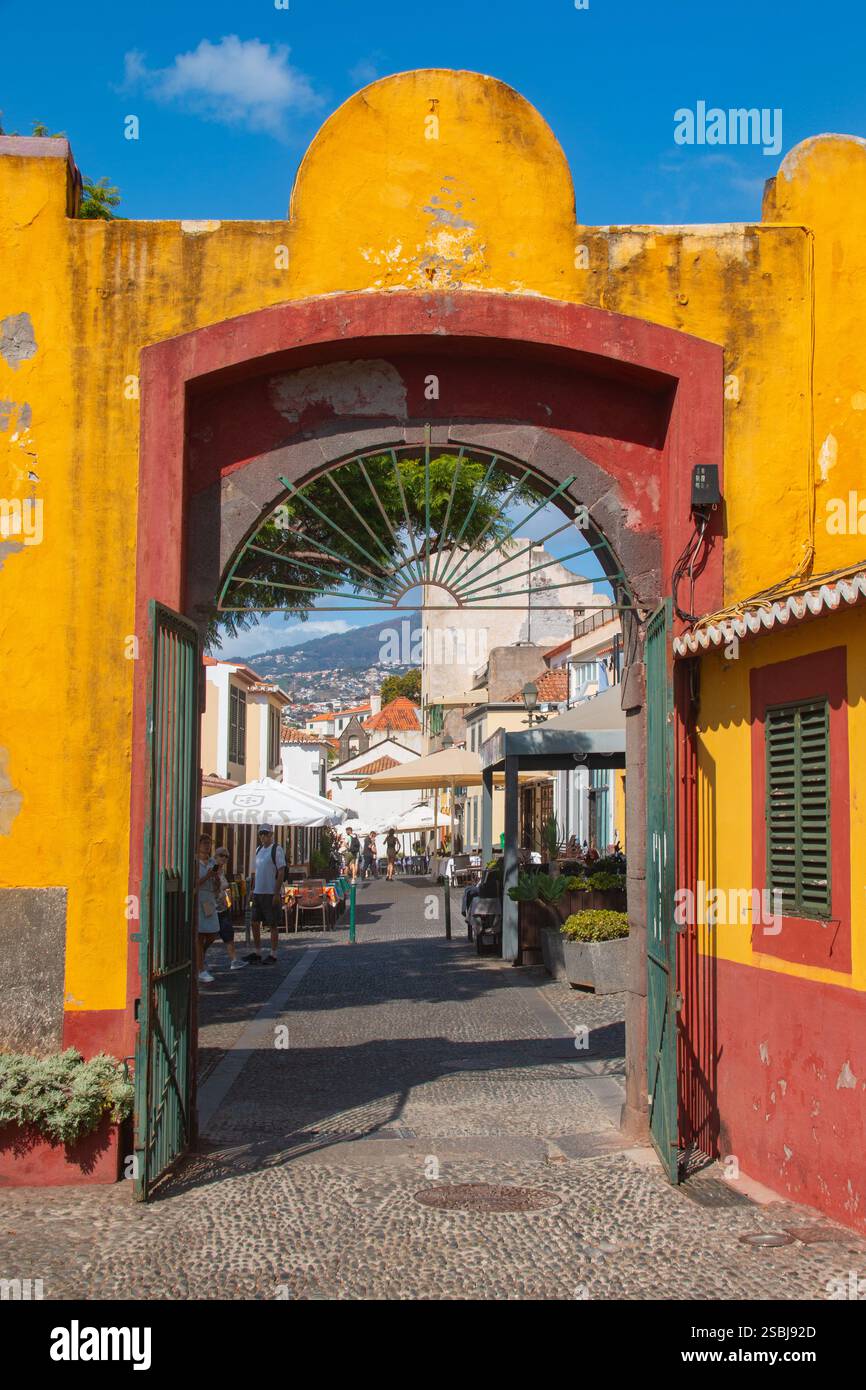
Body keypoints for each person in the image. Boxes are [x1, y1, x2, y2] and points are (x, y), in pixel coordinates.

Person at [245, 825, 285, 964]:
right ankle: (257, 951)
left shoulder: (276, 849)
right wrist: (252, 889)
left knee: (272, 923)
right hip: (258, 892)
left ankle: (273, 953)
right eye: (261, 834)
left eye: (265, 833)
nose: (263, 836)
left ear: (271, 834)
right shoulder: (258, 850)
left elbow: (281, 871)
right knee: (254, 922)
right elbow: (256, 871)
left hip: (270, 892)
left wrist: (276, 892)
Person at [214, 847, 248, 972]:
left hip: (222, 907)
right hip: (214, 908)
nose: (224, 858)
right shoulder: (214, 868)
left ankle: (234, 960)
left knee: (228, 934)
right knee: (210, 936)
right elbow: (213, 883)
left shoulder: (221, 870)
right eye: (221, 855)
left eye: (226, 856)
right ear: (216, 856)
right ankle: (201, 962)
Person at [196, 833, 220, 984]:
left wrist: (216, 878)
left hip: (210, 900)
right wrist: (207, 876)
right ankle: (200, 968)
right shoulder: (195, 862)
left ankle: (200, 957)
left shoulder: (212, 861)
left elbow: (216, 885)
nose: (207, 845)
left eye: (209, 843)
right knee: (199, 935)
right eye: (204, 842)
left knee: (212, 933)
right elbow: (194, 882)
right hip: (199, 898)